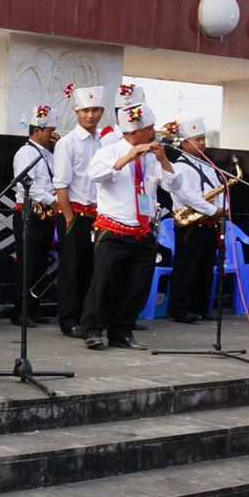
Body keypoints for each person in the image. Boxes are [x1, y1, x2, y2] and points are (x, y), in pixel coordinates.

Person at [80, 101, 180, 350]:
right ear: (135, 132)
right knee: (103, 283)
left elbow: (174, 186)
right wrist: (127, 158)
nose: (154, 132)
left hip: (143, 231)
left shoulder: (153, 157)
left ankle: (121, 332)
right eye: (150, 128)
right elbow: (95, 175)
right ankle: (93, 330)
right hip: (113, 229)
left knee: (137, 286)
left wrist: (164, 160)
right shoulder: (109, 151)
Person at [52, 84, 105, 337]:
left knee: (90, 269)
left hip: (96, 216)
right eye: (85, 110)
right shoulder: (68, 143)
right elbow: (61, 185)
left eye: (95, 110)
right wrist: (69, 218)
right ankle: (69, 320)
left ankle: (87, 318)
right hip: (74, 213)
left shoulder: (102, 143)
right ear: (76, 112)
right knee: (71, 270)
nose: (90, 115)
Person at [165, 118, 225, 324]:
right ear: (184, 143)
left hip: (209, 222)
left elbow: (219, 186)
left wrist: (222, 207)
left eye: (203, 139)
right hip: (190, 222)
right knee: (187, 265)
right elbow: (186, 195)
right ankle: (180, 308)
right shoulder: (179, 166)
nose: (201, 143)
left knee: (205, 266)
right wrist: (212, 209)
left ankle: (200, 306)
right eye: (197, 139)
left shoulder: (207, 166)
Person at [10, 105, 59, 326]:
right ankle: (20, 311)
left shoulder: (48, 153)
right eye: (49, 130)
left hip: (46, 214)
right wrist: (54, 200)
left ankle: (34, 307)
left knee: (41, 263)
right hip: (29, 213)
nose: (52, 134)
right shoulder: (25, 152)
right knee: (27, 263)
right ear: (37, 129)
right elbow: (25, 183)